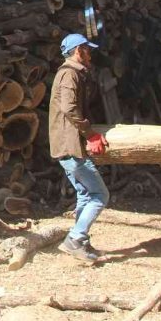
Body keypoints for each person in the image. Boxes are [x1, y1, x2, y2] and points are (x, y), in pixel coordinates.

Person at [48, 33, 110, 263]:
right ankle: (74, 239)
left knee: (85, 194)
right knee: (100, 195)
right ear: (77, 51)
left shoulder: (75, 74)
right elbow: (69, 108)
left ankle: (80, 243)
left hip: (69, 144)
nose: (90, 54)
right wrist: (91, 134)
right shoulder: (69, 74)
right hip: (69, 145)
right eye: (87, 50)